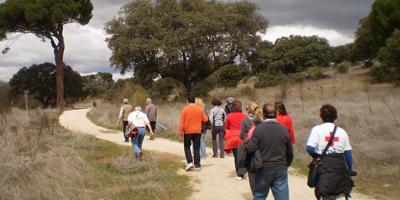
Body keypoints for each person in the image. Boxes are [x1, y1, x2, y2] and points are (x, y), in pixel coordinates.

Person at [306, 104, 354, 200]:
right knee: (336, 192)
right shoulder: (342, 132)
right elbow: (348, 154)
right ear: (335, 116)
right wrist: (349, 169)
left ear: (321, 116)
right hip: (339, 167)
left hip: (324, 167)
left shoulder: (317, 129)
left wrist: (317, 157)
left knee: (324, 192)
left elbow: (309, 148)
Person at [247, 104, 293, 200]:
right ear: (276, 114)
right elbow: (290, 153)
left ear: (263, 115)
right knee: (283, 198)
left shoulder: (258, 130)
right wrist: (285, 165)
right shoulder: (284, 130)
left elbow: (250, 148)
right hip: (281, 167)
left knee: (260, 195)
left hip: (264, 167)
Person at [178, 96, 209, 171]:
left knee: (187, 146)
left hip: (188, 132)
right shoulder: (200, 109)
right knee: (196, 148)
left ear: (188, 101)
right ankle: (197, 165)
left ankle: (190, 162)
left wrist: (180, 133)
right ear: (194, 101)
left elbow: (181, 123)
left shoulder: (185, 109)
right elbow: (206, 119)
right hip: (197, 131)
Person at [240, 101, 263, 192]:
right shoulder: (261, 121)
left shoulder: (245, 121)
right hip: (260, 149)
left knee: (251, 172)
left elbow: (241, 136)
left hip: (250, 149)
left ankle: (255, 194)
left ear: (248, 111)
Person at [225, 100, 247, 181]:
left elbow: (226, 127)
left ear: (232, 107)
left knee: (236, 156)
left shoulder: (229, 116)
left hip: (233, 138)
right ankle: (243, 171)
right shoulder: (244, 116)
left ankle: (239, 173)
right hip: (242, 137)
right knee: (243, 155)